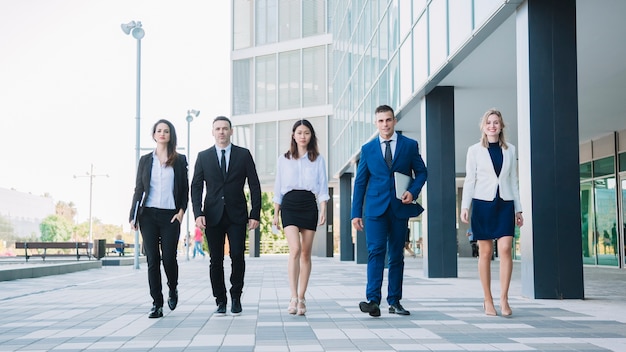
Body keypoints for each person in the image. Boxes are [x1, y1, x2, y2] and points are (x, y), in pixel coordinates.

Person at [351, 104, 427, 317]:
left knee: (396, 255)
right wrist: (355, 213)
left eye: (388, 120)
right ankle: (373, 300)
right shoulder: (367, 149)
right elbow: (360, 182)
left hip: (399, 207)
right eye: (381, 121)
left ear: (394, 121)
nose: (385, 124)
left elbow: (422, 172)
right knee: (376, 252)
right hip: (375, 209)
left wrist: (412, 192)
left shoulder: (409, 146)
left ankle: (394, 301)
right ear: (376, 123)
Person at [191, 116, 261, 316]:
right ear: (213, 132)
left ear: (231, 131)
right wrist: (198, 213)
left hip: (237, 215)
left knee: (237, 256)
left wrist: (254, 213)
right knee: (216, 260)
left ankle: (236, 296)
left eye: (225, 128)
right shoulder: (203, 157)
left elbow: (254, 185)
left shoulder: (243, 154)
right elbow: (196, 187)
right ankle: (220, 300)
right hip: (212, 215)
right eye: (218, 129)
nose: (221, 132)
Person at [460, 108, 524, 317]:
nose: (492, 126)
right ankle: (488, 300)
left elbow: (513, 181)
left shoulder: (511, 150)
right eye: (489, 122)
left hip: (505, 204)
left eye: (496, 122)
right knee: (485, 253)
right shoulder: (474, 150)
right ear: (484, 126)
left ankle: (504, 299)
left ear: (501, 126)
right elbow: (470, 180)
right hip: (482, 203)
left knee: (505, 248)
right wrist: (465, 206)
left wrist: (518, 209)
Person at [129, 119, 188, 319]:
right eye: (159, 130)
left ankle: (173, 287)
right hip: (148, 215)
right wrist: (133, 216)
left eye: (166, 131)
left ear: (171, 135)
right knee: (152, 260)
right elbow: (139, 189)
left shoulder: (179, 160)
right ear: (154, 135)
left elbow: (184, 190)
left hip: (170, 215)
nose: (162, 133)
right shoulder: (145, 160)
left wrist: (181, 212)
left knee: (169, 258)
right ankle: (157, 303)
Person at [272, 119, 329, 316]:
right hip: (289, 205)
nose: (303, 136)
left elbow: (322, 187)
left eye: (306, 132)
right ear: (293, 135)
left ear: (311, 135)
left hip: (309, 205)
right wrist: (275, 214)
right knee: (295, 249)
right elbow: (278, 188)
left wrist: (323, 209)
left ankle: (302, 297)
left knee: (306, 253)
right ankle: (293, 296)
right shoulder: (283, 159)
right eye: (299, 132)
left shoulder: (318, 159)